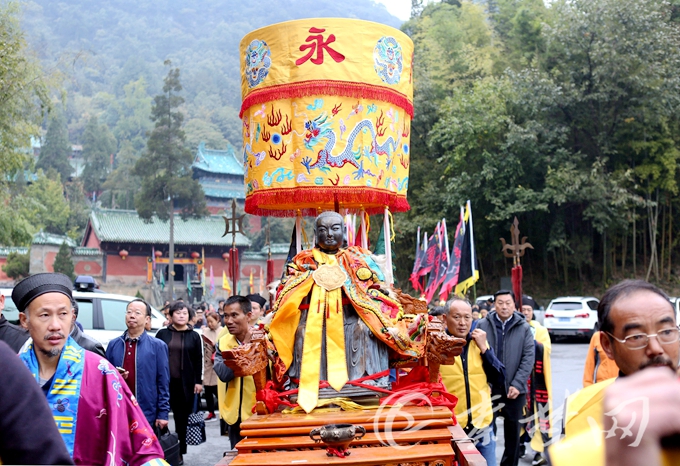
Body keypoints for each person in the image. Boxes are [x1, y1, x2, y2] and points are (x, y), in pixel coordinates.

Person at [269, 211, 425, 413]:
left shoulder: (359, 258)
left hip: (355, 315)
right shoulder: (303, 261)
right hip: (312, 317)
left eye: (335, 228)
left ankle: (370, 382)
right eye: (323, 230)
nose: (329, 234)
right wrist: (311, 279)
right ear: (315, 234)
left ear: (344, 231)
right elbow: (287, 291)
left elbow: (375, 288)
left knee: (366, 330)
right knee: (300, 333)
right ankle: (302, 384)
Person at [13, 273, 165, 464]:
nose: (55, 325)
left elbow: (141, 448)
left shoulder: (102, 373)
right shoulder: (10, 376)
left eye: (63, 314)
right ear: (24, 320)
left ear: (73, 318)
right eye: (44, 315)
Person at [549, 280, 680, 465]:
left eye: (666, 331)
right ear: (606, 345)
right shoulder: (578, 408)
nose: (656, 348)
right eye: (636, 337)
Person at [440, 297, 505, 466]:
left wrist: (485, 349)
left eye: (467, 317)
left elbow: (499, 379)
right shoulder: (436, 346)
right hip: (452, 426)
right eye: (457, 317)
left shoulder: (479, 343)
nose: (462, 322)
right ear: (445, 319)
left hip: (481, 424)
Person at [476, 289, 534, 466]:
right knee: (485, 431)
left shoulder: (523, 327)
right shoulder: (482, 325)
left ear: (514, 305)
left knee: (513, 435)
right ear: (494, 304)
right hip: (489, 388)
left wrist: (517, 384)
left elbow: (528, 357)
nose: (504, 306)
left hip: (515, 389)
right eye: (500, 303)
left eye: (508, 303)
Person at [0, 340, 74, 465]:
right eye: (44, 318)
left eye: (62, 318)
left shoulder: (6, 364)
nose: (54, 325)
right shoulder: (14, 361)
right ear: (24, 321)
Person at [105, 298, 171, 431]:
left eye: (137, 313)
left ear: (147, 319)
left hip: (146, 411)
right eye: (129, 312)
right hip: (119, 409)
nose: (132, 316)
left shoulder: (157, 346)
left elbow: (163, 381)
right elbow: (104, 379)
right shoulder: (114, 345)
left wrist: (163, 414)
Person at [156, 301, 204, 464]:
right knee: (160, 417)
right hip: (164, 382)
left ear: (189, 316)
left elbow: (199, 360)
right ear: (170, 316)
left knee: (181, 419)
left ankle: (179, 451)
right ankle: (162, 448)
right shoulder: (162, 333)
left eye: (184, 313)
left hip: (186, 384)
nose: (181, 316)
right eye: (178, 313)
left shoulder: (194, 336)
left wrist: (198, 381)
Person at [213, 296, 257, 449]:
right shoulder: (223, 343)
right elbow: (224, 374)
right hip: (235, 415)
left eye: (234, 315)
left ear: (248, 316)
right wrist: (244, 347)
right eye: (225, 316)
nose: (229, 321)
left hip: (259, 413)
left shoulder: (264, 339)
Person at [519, 296, 552, 466]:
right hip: (521, 378)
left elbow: (546, 349)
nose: (525, 312)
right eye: (523, 309)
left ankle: (540, 452)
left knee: (540, 415)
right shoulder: (515, 328)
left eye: (528, 310)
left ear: (533, 312)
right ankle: (520, 445)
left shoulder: (540, 330)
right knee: (520, 414)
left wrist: (531, 344)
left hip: (537, 380)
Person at [202, 311, 222, 421]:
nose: (210, 324)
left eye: (212, 321)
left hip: (217, 364)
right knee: (208, 391)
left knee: (218, 391)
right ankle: (211, 412)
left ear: (217, 320)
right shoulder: (205, 332)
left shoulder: (223, 331)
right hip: (207, 365)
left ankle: (222, 411)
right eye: (208, 322)